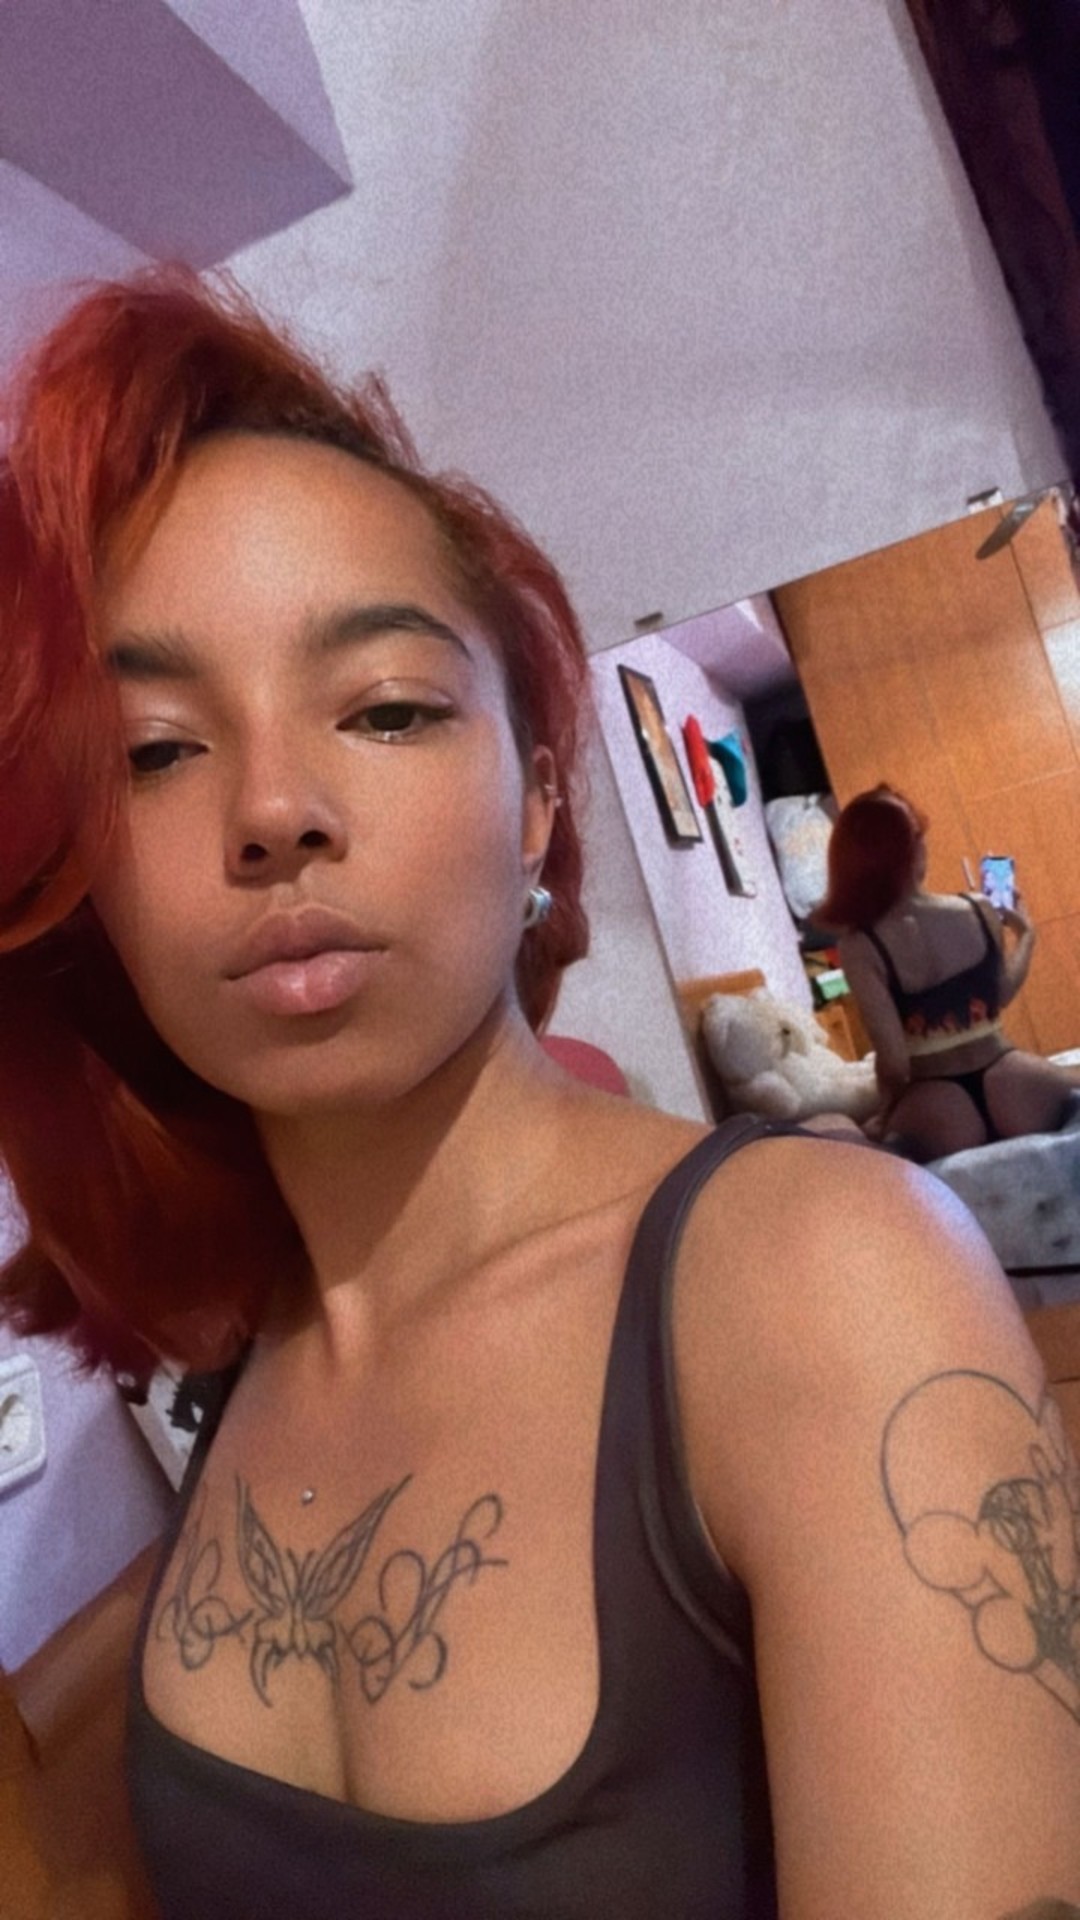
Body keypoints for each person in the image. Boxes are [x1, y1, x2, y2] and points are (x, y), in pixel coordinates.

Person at [0, 265, 1077, 1919]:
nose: (272, 808)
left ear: (536, 804)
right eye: (155, 748)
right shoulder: (244, 1347)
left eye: (385, 708)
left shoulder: (819, 1280)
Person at [821, 783, 1078, 1162]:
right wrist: (1026, 937)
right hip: (1015, 1080)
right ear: (916, 850)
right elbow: (998, 996)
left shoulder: (860, 946)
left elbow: (894, 1064)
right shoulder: (978, 907)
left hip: (938, 1106)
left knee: (844, 1136)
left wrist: (886, 1112)